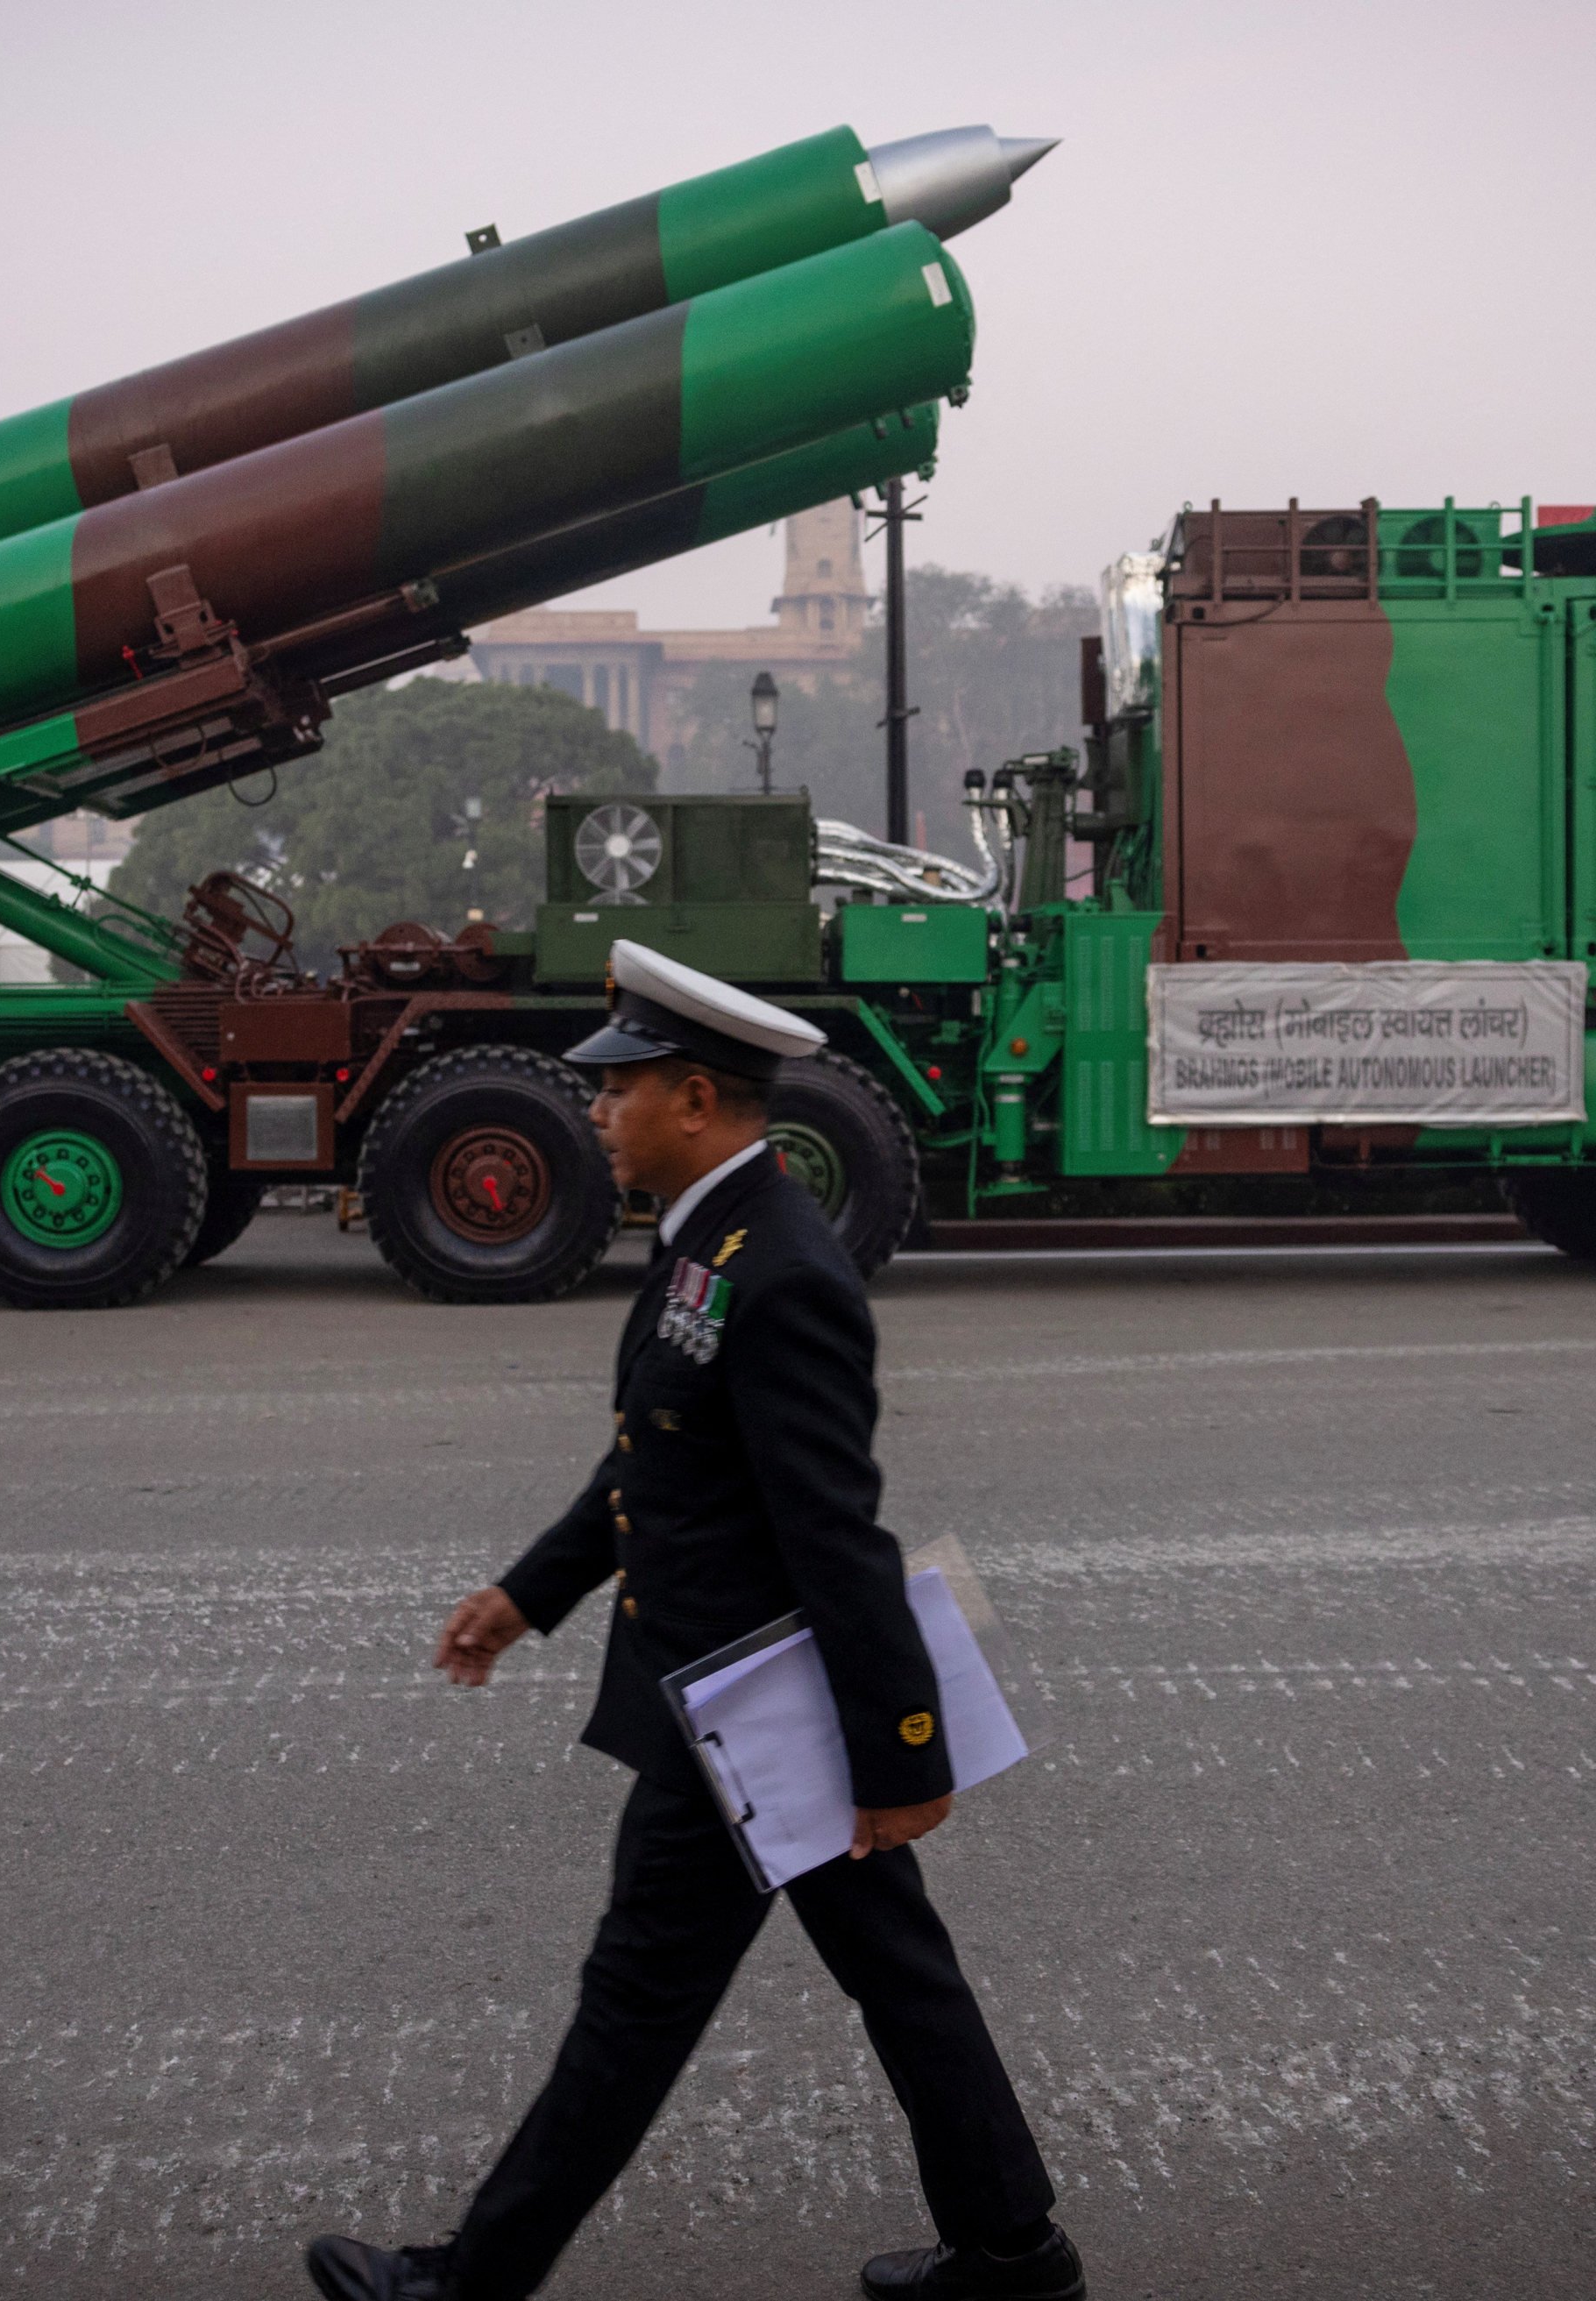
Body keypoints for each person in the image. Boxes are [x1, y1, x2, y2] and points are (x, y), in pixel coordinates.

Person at [308, 941, 1080, 2301]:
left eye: (617, 1093)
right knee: (899, 1976)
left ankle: (468, 2284)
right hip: (747, 1697)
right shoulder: (710, 1242)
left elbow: (838, 1538)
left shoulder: (779, 1270)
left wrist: (907, 1754)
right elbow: (656, 1464)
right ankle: (1012, 2251)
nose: (595, 1115)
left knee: (633, 2010)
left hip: (745, 1714)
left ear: (696, 1099)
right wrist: (528, 1593)